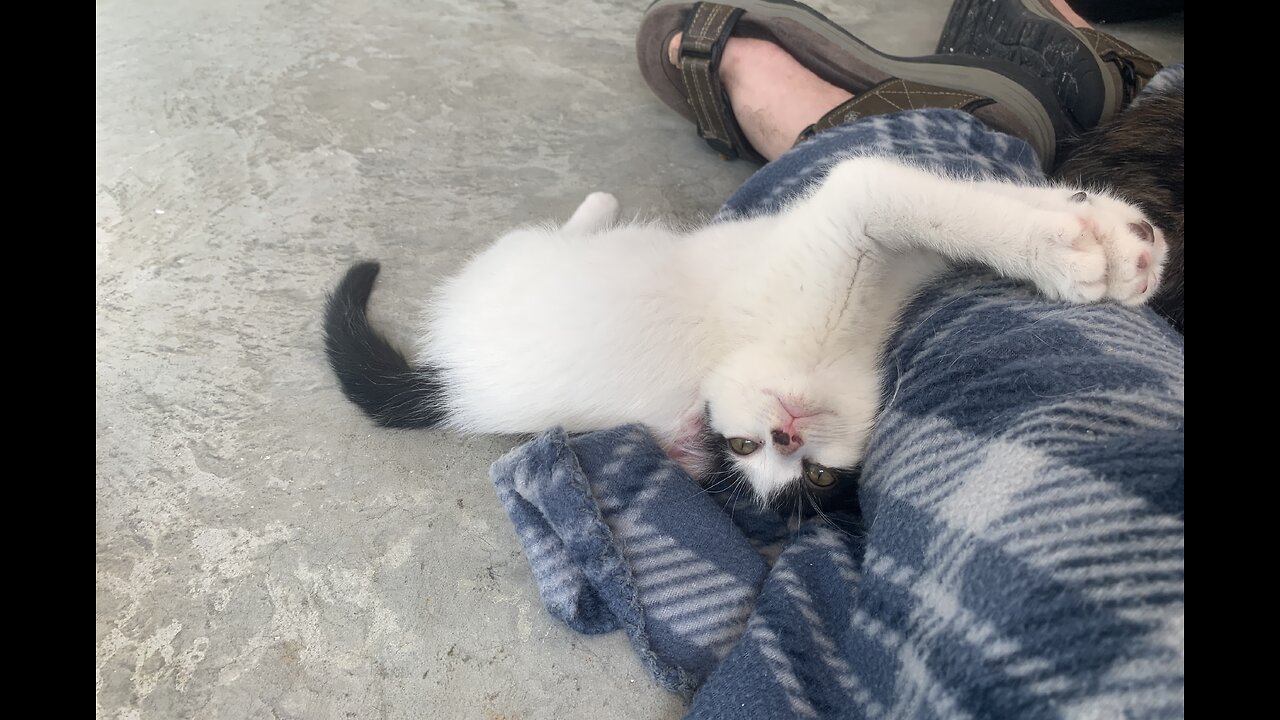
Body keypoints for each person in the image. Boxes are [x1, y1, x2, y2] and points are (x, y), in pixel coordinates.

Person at [491, 2, 1183, 717]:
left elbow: (863, 212)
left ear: (699, 424)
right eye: (813, 468)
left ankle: (894, 134)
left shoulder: (741, 359)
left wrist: (1036, 241)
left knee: (964, 318)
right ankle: (895, 135)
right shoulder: (827, 386)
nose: (786, 441)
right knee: (988, 328)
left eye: (747, 445)